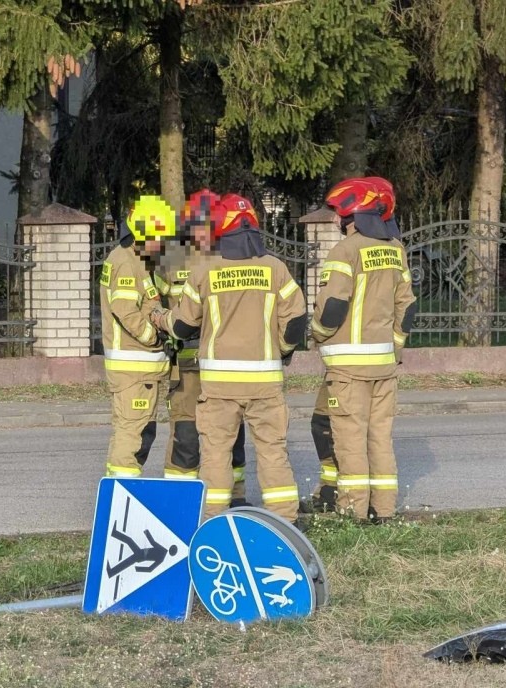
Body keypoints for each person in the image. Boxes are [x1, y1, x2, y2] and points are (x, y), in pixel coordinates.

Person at [158, 194, 308, 522]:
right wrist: (282, 350)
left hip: (219, 387)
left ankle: (213, 522)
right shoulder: (275, 268)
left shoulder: (205, 272)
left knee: (215, 455)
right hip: (265, 385)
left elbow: (182, 326)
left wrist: (159, 319)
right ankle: (287, 523)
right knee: (273, 454)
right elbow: (297, 321)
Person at [304, 177, 415, 513]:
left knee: (350, 438)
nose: (337, 220)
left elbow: (333, 305)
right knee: (379, 438)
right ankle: (382, 510)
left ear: (352, 216)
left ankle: (352, 512)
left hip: (348, 368)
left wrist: (318, 333)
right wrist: (394, 349)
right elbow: (406, 308)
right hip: (384, 365)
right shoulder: (396, 249)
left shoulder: (345, 250)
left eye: (340, 214)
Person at [156, 189, 248, 504]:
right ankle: (178, 501)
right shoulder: (173, 258)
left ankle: (235, 496)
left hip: (223, 363)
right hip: (186, 365)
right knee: (186, 434)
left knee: (231, 433)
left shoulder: (232, 256)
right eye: (197, 224)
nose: (202, 231)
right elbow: (164, 305)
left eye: (208, 224)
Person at [99, 195, 176, 478]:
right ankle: (124, 495)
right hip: (134, 367)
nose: (162, 244)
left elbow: (152, 294)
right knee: (133, 436)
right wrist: (153, 339)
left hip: (140, 369)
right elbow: (125, 311)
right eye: (159, 238)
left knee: (135, 432)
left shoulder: (136, 257)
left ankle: (119, 491)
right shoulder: (125, 263)